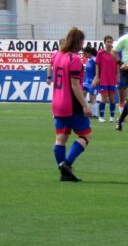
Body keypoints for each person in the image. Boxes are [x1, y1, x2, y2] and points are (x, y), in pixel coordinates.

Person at [51, 27, 92, 181]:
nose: (83, 45)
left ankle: (64, 173)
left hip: (57, 102)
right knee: (86, 135)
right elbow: (75, 85)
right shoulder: (74, 59)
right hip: (71, 104)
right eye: (82, 41)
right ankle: (66, 164)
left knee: (61, 138)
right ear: (78, 42)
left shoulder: (57, 55)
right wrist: (85, 105)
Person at [93, 35, 119, 122]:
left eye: (111, 42)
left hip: (112, 79)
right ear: (104, 42)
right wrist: (97, 77)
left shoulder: (115, 53)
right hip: (103, 79)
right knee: (104, 98)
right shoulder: (100, 53)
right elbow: (97, 65)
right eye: (108, 42)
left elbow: (117, 65)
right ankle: (101, 117)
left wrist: (118, 76)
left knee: (112, 99)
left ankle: (112, 117)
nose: (109, 43)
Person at [82, 45, 98, 118]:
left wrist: (95, 80)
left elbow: (98, 71)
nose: (84, 55)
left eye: (85, 53)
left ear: (89, 53)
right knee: (82, 96)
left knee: (92, 98)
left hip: (93, 82)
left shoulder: (95, 60)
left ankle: (95, 115)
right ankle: (85, 111)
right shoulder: (88, 60)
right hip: (86, 82)